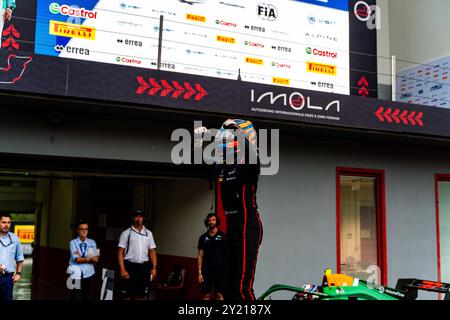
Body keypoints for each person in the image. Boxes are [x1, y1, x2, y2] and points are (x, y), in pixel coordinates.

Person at [194, 119, 263, 300]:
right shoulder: (224, 169)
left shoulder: (248, 166)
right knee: (229, 286)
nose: (218, 146)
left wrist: (237, 130)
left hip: (248, 229)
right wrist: (198, 143)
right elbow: (205, 165)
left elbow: (252, 155)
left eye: (222, 142)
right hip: (232, 231)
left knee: (242, 287)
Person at [118, 209, 157, 300]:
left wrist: (154, 268)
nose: (138, 218)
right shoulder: (126, 233)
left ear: (143, 218)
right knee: (126, 295)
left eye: (140, 216)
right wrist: (122, 269)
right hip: (129, 266)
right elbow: (120, 252)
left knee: (141, 295)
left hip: (144, 267)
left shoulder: (149, 233)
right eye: (136, 216)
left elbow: (152, 251)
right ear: (133, 218)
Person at [67, 220, 99, 300]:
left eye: (86, 229)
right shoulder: (73, 243)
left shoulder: (93, 242)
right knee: (75, 297)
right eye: (82, 229)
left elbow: (95, 259)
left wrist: (83, 258)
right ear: (77, 230)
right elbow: (77, 259)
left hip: (89, 274)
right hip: (75, 274)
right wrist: (89, 259)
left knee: (88, 297)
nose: (84, 231)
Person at [197, 213, 225, 300]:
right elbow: (200, 256)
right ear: (207, 222)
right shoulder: (203, 238)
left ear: (216, 221)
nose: (211, 222)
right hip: (206, 271)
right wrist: (200, 272)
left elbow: (227, 254)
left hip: (220, 270)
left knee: (220, 295)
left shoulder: (223, 236)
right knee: (206, 296)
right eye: (209, 220)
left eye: (213, 220)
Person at [0, 211, 24, 301]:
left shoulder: (14, 238)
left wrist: (18, 274)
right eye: (3, 222)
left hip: (8, 278)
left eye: (8, 222)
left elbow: (20, 257)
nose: (6, 225)